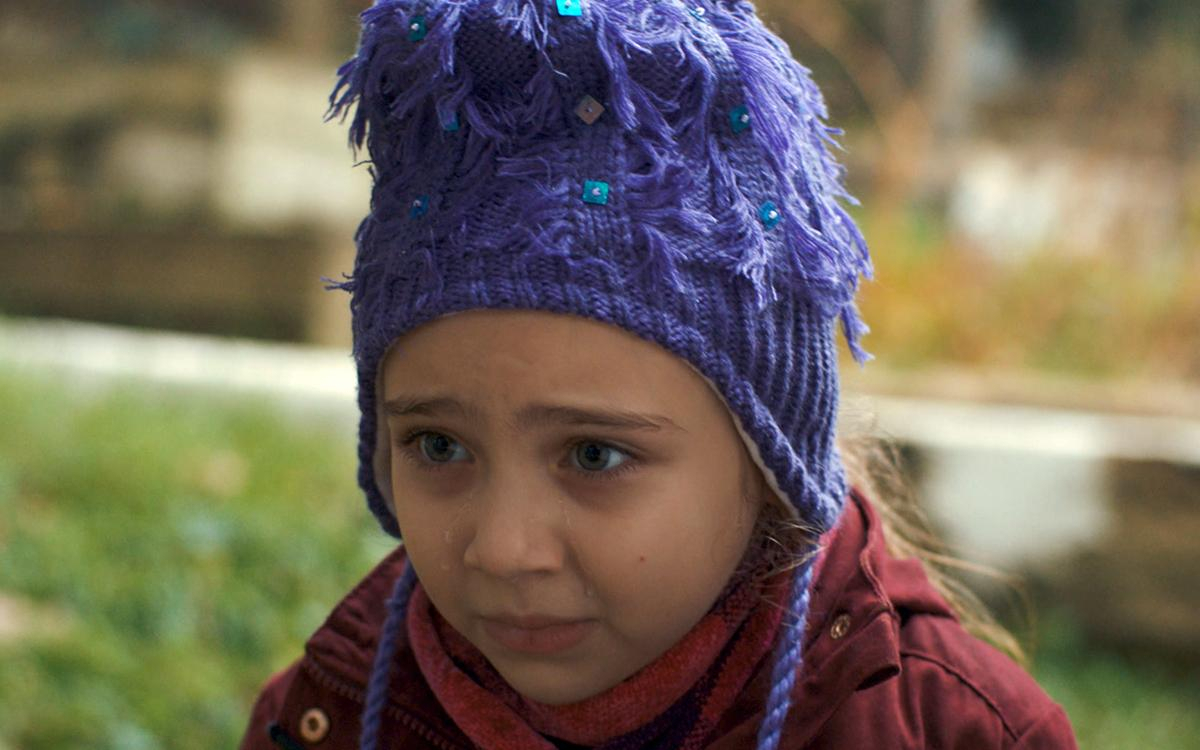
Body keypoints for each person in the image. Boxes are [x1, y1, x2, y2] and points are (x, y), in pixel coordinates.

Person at [241, 0, 1078, 747]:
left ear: (767, 463)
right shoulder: (330, 714)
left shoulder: (954, 733)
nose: (503, 550)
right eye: (437, 446)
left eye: (594, 455)